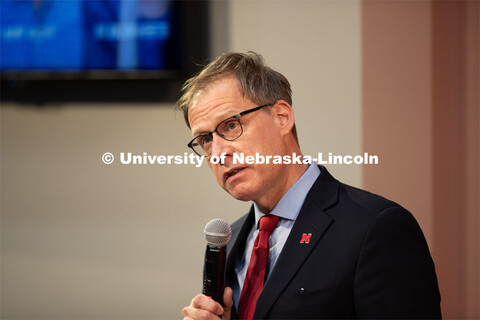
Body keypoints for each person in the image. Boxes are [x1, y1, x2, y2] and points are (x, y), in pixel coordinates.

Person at [177, 52, 441, 320]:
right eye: (206, 140)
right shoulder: (227, 240)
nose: (219, 152)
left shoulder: (376, 228)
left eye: (231, 125)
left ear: (282, 117)